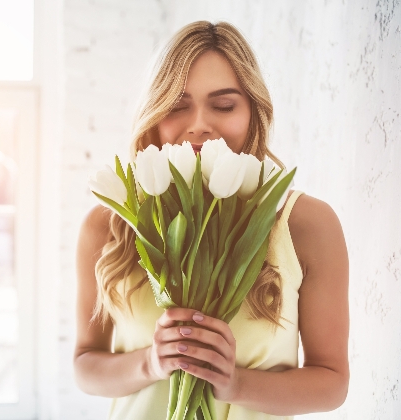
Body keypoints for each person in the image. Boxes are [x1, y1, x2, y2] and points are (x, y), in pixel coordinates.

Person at [73, 21, 349, 420]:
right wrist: (150, 363)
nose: (199, 124)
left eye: (223, 105)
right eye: (176, 105)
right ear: (153, 115)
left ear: (254, 112)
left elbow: (332, 383)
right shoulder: (108, 225)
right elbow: (85, 366)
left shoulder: (305, 224)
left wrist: (235, 384)